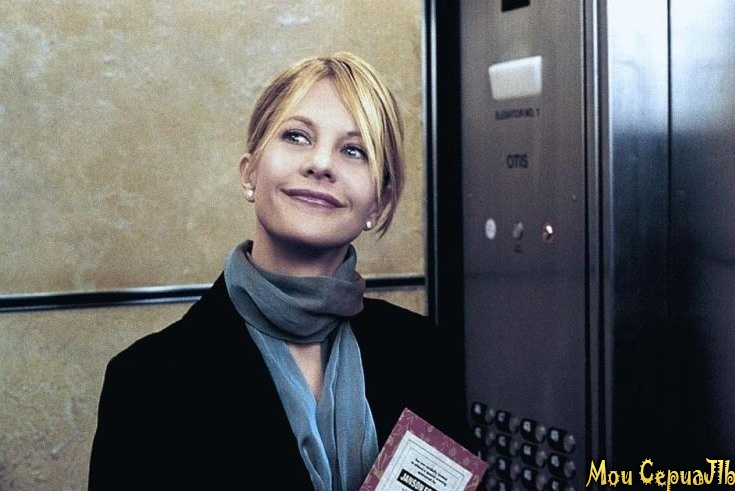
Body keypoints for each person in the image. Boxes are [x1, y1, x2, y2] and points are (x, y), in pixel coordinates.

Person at [88, 51, 467, 490]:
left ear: (378, 202)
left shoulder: (423, 354)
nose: (321, 164)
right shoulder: (147, 380)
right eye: (296, 136)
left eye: (353, 150)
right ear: (249, 173)